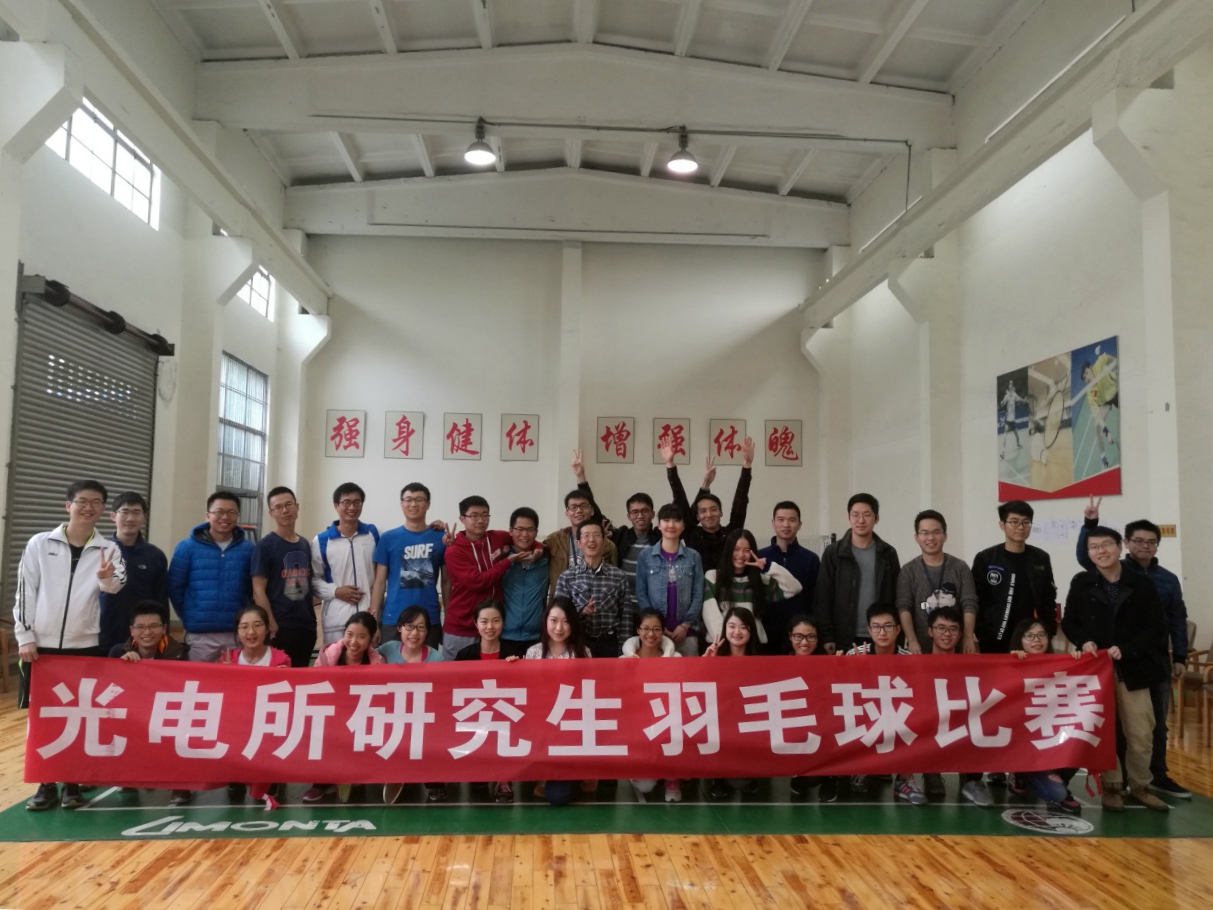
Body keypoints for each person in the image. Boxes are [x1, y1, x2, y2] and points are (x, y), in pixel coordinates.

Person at [16, 480, 126, 811]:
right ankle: (45, 784)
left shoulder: (109, 549)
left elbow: (116, 587)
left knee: (79, 714)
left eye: (96, 502)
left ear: (103, 510)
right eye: (82, 501)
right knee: (43, 716)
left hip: (84, 646)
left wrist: (105, 577)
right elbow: (26, 591)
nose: (88, 507)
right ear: (69, 505)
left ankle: (72, 784)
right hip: (42, 647)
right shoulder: (39, 544)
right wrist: (25, 635)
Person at [1075, 498, 1190, 799]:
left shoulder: (1156, 582)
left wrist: (1178, 655)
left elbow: (1168, 622)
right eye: (1138, 541)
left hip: (1145, 662)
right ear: (1127, 543)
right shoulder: (1091, 578)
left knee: (1147, 728)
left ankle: (1148, 780)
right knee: (1110, 728)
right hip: (1102, 666)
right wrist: (1090, 524)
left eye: (1151, 542)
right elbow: (1074, 619)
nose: (1144, 546)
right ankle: (1114, 784)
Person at [1061, 526, 1170, 812]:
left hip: (1134, 668)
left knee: (1141, 732)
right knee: (1105, 732)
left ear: (1119, 546)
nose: (1101, 551)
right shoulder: (1082, 582)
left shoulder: (1141, 583)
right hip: (1098, 671)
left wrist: (1129, 648)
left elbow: (1156, 627)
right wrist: (1084, 640)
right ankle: (1111, 787)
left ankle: (1141, 786)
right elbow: (1070, 621)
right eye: (1094, 547)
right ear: (1088, 553)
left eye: (1106, 545)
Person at [109, 599, 190, 806]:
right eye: (141, 627)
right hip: (134, 715)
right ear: (132, 630)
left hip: (168, 714)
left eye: (154, 626)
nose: (147, 632)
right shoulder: (118, 653)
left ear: (164, 628)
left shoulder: (180, 653)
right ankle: (129, 774)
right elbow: (108, 690)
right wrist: (123, 668)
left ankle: (180, 782)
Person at [841, 604, 923, 805]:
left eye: (888, 626)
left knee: (917, 720)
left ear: (898, 629)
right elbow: (843, 694)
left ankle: (904, 780)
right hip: (867, 714)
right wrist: (857, 670)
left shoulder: (909, 659)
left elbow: (918, 696)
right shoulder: (855, 654)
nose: (882, 632)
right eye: (876, 627)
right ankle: (862, 768)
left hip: (896, 715)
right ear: (869, 630)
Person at [168, 490, 255, 663]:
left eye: (231, 512)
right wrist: (189, 615)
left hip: (237, 633)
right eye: (219, 512)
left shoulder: (249, 549)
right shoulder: (187, 547)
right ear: (208, 516)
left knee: (234, 678)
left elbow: (252, 589)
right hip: (200, 635)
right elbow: (174, 587)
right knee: (198, 678)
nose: (225, 517)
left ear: (237, 516)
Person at [1007, 617, 1082, 815]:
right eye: (1030, 635)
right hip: (1025, 747)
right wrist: (1011, 663)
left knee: (1082, 740)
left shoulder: (1060, 664)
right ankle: (1019, 773)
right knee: (1055, 793)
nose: (1037, 640)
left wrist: (1079, 661)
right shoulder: (1011, 663)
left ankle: (1060, 778)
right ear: (1019, 639)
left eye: (1041, 635)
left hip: (1051, 740)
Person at [918, 606, 992, 806]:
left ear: (960, 634)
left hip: (960, 723)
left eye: (953, 629)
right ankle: (931, 772)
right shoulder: (917, 665)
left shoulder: (971, 665)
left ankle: (972, 779)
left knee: (980, 719)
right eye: (941, 628)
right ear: (930, 631)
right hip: (930, 725)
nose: (947, 634)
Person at [218, 605, 290, 810]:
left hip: (268, 724)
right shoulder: (228, 659)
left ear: (267, 629)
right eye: (244, 627)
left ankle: (269, 776)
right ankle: (236, 773)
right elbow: (221, 699)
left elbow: (287, 701)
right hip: (237, 725)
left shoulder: (280, 659)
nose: (251, 632)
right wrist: (225, 676)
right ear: (237, 632)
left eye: (257, 625)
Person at [454, 601, 526, 803]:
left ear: (503, 622)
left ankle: (504, 778)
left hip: (505, 714)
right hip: (474, 714)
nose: (490, 627)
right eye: (484, 622)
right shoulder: (464, 656)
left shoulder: (513, 654)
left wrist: (518, 667)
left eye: (495, 621)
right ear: (476, 624)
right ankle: (481, 769)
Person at [525, 598, 591, 806]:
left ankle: (580, 775)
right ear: (545, 621)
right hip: (540, 728)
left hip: (570, 730)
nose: (559, 628)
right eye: (554, 620)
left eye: (566, 621)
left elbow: (588, 694)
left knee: (557, 797)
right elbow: (525, 691)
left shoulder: (582, 653)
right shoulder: (533, 652)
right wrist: (512, 667)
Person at [814, 494, 900, 654]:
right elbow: (823, 598)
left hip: (880, 637)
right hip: (843, 637)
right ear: (849, 518)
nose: (861, 520)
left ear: (876, 518)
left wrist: (897, 636)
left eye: (867, 515)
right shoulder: (834, 553)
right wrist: (826, 636)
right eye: (855, 515)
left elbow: (896, 597)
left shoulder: (888, 553)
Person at [377, 606, 445, 806]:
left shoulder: (437, 659)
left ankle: (433, 781)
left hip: (423, 717)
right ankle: (397, 774)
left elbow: (441, 696)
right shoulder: (387, 650)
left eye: (420, 627)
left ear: (427, 631)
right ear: (399, 627)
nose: (414, 633)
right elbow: (363, 660)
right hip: (391, 715)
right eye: (409, 626)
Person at [971, 500, 1056, 654]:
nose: (1020, 527)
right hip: (994, 637)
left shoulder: (1041, 558)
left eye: (1026, 522)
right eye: (1014, 522)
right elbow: (976, 598)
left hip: (1030, 638)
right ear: (1002, 525)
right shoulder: (986, 558)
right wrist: (981, 632)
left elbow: (1048, 597)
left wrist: (1049, 630)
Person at [443, 495, 520, 660]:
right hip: (462, 629)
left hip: (492, 627)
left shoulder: (497, 537)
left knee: (492, 674)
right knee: (458, 674)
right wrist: (506, 562)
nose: (480, 520)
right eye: (474, 515)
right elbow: (477, 582)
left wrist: (538, 548)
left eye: (485, 515)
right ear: (462, 519)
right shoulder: (454, 550)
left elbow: (522, 536)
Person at [371, 483, 446, 650]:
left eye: (419, 499)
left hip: (428, 618)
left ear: (428, 504)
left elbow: (447, 582)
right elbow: (379, 582)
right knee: (391, 665)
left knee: (427, 665)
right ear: (401, 504)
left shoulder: (440, 537)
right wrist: (374, 622)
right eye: (408, 500)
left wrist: (448, 617)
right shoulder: (388, 538)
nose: (413, 504)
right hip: (393, 618)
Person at [661, 438, 754, 571]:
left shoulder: (731, 534)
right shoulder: (691, 533)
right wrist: (670, 464)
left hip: (726, 583)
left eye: (713, 509)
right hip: (698, 584)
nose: (709, 515)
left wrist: (747, 466)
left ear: (721, 512)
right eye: (703, 511)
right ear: (697, 516)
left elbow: (741, 502)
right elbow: (680, 499)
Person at [895, 510, 979, 654]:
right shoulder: (908, 571)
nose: (931, 538)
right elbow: (904, 607)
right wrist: (912, 640)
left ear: (945, 536)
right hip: (920, 648)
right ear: (916, 537)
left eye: (936, 532)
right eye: (925, 533)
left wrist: (968, 636)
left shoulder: (960, 567)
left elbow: (969, 603)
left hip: (955, 647)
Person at [702, 529, 801, 647]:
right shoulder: (713, 577)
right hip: (721, 645)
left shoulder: (760, 580)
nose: (741, 555)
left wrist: (769, 567)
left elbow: (795, 587)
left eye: (747, 550)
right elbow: (710, 613)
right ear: (728, 550)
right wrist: (726, 643)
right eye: (736, 549)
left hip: (754, 646)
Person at [251, 486, 315, 668]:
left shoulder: (304, 544)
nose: (285, 510)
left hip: (306, 626)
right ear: (271, 513)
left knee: (301, 677)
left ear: (297, 507)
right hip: (280, 626)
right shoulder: (264, 547)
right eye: (278, 507)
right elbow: (258, 591)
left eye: (289, 505)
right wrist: (271, 624)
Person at [543, 450, 619, 599]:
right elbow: (537, 552)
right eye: (573, 507)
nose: (578, 511)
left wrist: (581, 477)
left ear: (591, 510)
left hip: (595, 605)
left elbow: (614, 580)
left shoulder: (608, 546)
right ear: (567, 513)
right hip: (562, 605)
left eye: (583, 506)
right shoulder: (554, 540)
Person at [99, 491, 168, 655]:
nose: (130, 518)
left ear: (144, 517)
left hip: (141, 636)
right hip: (101, 633)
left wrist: (163, 638)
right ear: (113, 516)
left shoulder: (154, 555)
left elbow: (161, 600)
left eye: (136, 513)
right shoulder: (99, 551)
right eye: (125, 512)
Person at [312, 482, 380, 646]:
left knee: (370, 661)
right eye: (346, 502)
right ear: (336, 505)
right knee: (337, 660)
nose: (352, 507)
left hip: (368, 618)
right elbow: (313, 579)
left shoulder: (373, 534)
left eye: (357, 502)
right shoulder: (321, 540)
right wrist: (335, 591)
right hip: (336, 621)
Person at [703, 607, 761, 800]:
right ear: (725, 629)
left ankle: (753, 774)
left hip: (749, 719)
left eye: (743, 627)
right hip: (720, 718)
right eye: (732, 626)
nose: (737, 632)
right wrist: (706, 663)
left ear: (751, 630)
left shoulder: (761, 661)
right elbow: (696, 686)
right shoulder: (714, 656)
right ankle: (718, 777)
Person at [553, 518, 631, 657]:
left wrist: (624, 652)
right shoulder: (567, 577)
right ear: (579, 544)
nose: (591, 540)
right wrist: (581, 613)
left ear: (604, 541)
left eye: (596, 535)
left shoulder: (619, 576)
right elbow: (559, 616)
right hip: (578, 643)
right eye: (586, 535)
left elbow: (625, 618)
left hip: (609, 644)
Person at [635, 504, 704, 657]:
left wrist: (685, 625)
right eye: (666, 520)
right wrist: (657, 626)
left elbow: (698, 595)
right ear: (659, 525)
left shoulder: (694, 557)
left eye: (676, 521)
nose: (671, 525)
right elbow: (641, 593)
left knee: (689, 671)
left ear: (683, 525)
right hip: (655, 634)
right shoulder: (645, 556)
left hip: (687, 633)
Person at [757, 501, 820, 652]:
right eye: (781, 520)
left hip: (801, 637)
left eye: (792, 520)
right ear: (773, 523)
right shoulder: (760, 558)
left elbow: (816, 599)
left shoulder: (810, 559)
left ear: (799, 524)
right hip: (766, 634)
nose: (786, 525)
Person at [786, 615, 834, 802]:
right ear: (790, 637)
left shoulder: (829, 663)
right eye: (798, 636)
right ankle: (797, 773)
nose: (804, 642)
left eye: (810, 637)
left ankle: (831, 777)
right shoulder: (778, 665)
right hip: (794, 727)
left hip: (823, 727)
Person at [500, 507, 549, 653]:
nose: (525, 535)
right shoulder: (501, 558)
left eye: (530, 529)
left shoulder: (546, 559)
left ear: (536, 532)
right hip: (504, 635)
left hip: (537, 637)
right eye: (520, 529)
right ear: (511, 531)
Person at [611, 493, 661, 626]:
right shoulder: (621, 536)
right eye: (635, 512)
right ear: (629, 516)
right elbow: (595, 515)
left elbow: (685, 515)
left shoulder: (660, 538)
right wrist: (582, 482)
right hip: (624, 607)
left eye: (645, 511)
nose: (640, 516)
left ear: (652, 514)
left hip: (652, 608)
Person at [1080, 355, 1119, 469]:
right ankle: (1103, 460)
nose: (1087, 378)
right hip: (1105, 402)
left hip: (1115, 390)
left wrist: (1116, 361)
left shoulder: (1099, 365)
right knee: (1097, 426)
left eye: (1087, 373)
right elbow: (1097, 415)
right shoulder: (1090, 393)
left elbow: (1105, 357)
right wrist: (1106, 432)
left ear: (1091, 368)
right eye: (1084, 378)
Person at [999, 380, 1026, 459]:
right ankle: (1003, 451)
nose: (1010, 388)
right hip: (1008, 420)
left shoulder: (1014, 395)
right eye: (1009, 387)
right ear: (1008, 388)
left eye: (1011, 386)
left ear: (1012, 387)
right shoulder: (1007, 396)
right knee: (1005, 434)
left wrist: (1024, 400)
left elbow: (1019, 399)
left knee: (1017, 436)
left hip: (1013, 421)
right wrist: (1002, 402)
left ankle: (1018, 443)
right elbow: (1002, 403)